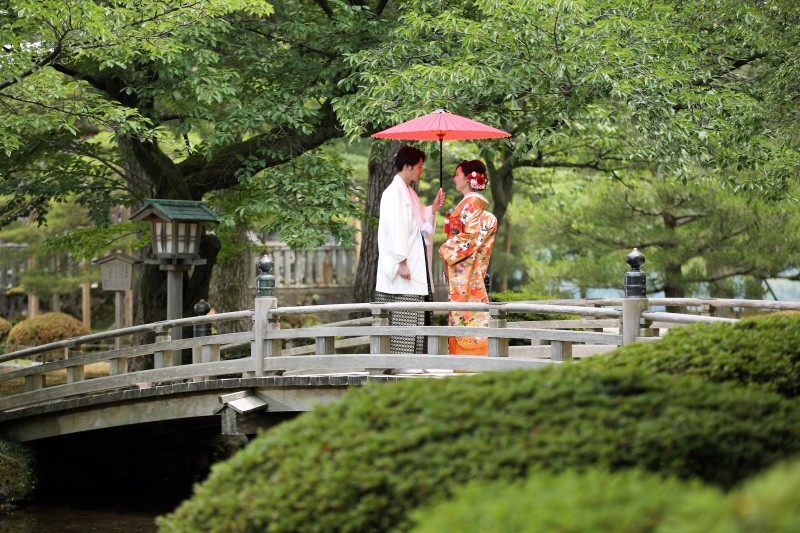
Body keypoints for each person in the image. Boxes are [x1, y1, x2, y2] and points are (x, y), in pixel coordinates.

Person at [375, 145, 446, 354]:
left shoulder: (410, 193)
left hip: (414, 261)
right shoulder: (392, 193)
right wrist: (401, 260)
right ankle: (401, 360)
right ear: (407, 166)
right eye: (419, 167)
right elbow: (394, 229)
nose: (421, 171)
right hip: (402, 266)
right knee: (403, 313)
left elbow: (418, 221)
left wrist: (432, 209)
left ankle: (414, 358)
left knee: (416, 312)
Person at [438, 159, 498, 355]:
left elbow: (470, 237)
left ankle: (468, 358)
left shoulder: (471, 205)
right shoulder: (468, 204)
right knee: (464, 311)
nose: (454, 178)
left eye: (457, 175)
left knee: (465, 310)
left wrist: (446, 248)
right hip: (462, 267)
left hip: (464, 269)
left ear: (468, 177)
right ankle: (467, 358)